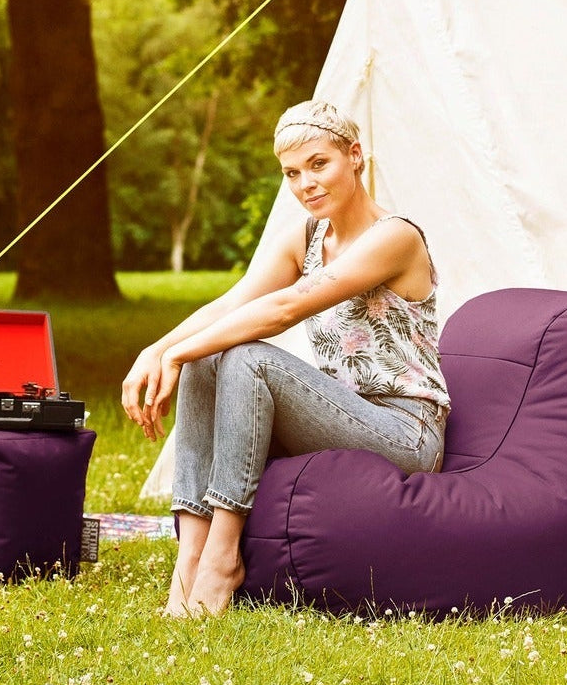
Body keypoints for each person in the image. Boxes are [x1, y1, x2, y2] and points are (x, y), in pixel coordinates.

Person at [121, 99, 451, 617]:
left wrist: (178, 354)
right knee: (212, 355)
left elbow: (285, 308)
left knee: (247, 356)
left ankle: (223, 558)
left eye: (319, 164)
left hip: (406, 431)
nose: (306, 184)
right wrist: (157, 349)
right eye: (292, 173)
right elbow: (236, 302)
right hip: (344, 411)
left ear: (356, 156)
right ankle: (190, 558)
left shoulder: (396, 236)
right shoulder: (308, 235)